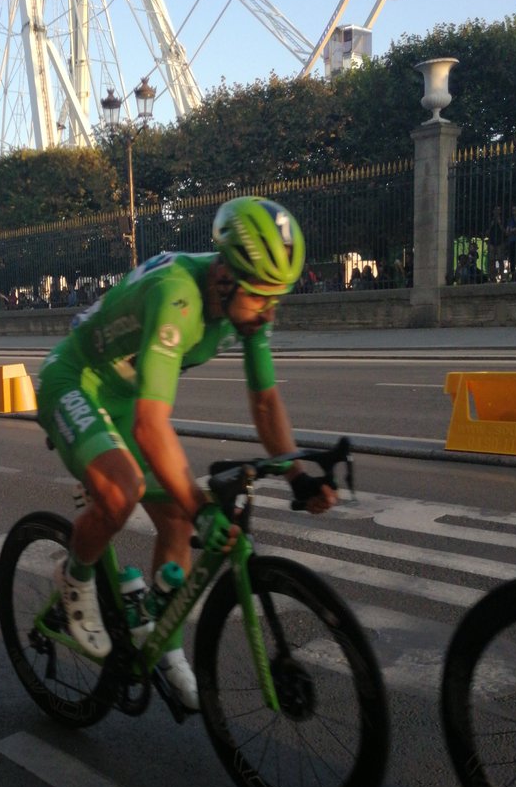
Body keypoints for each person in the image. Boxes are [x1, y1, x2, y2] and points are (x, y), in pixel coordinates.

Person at [36, 197, 337, 710]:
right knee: (123, 492)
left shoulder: (246, 311)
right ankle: (75, 577)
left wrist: (297, 477)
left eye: (277, 297)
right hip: (75, 380)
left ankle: (164, 642)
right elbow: (152, 428)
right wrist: (204, 510)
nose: (269, 311)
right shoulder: (178, 296)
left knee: (175, 517)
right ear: (226, 275)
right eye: (262, 296)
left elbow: (265, 404)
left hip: (125, 393)